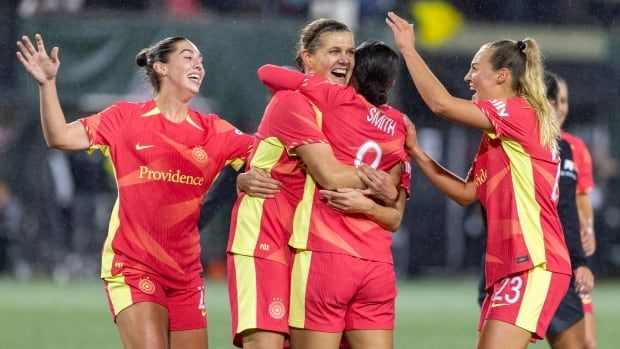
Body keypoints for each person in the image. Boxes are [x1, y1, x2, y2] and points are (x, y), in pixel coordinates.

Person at [16, 34, 256, 349]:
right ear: (161, 67)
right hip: (132, 266)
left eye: (201, 60)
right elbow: (60, 136)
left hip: (185, 274)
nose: (198, 64)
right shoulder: (124, 119)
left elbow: (269, 155)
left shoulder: (214, 130)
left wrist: (247, 175)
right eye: (187, 57)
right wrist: (47, 85)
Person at [386, 12, 571, 349]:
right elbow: (466, 193)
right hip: (512, 265)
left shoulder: (518, 112)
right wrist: (417, 152)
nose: (468, 76)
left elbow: (442, 105)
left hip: (534, 261)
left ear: (502, 76)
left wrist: (409, 52)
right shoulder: (498, 136)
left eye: (475, 68)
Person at [228, 19, 409, 349]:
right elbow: (330, 175)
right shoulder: (293, 102)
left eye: (350, 52)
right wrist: (385, 180)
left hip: (305, 243)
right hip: (267, 242)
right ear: (308, 59)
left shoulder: (339, 111)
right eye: (334, 51)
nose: (345, 59)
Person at [544, 72, 597, 349]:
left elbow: (580, 197)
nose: (562, 106)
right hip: (545, 251)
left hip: (569, 248)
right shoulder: (531, 140)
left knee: (587, 341)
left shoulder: (574, 147)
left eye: (564, 100)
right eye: (557, 100)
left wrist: (588, 227)